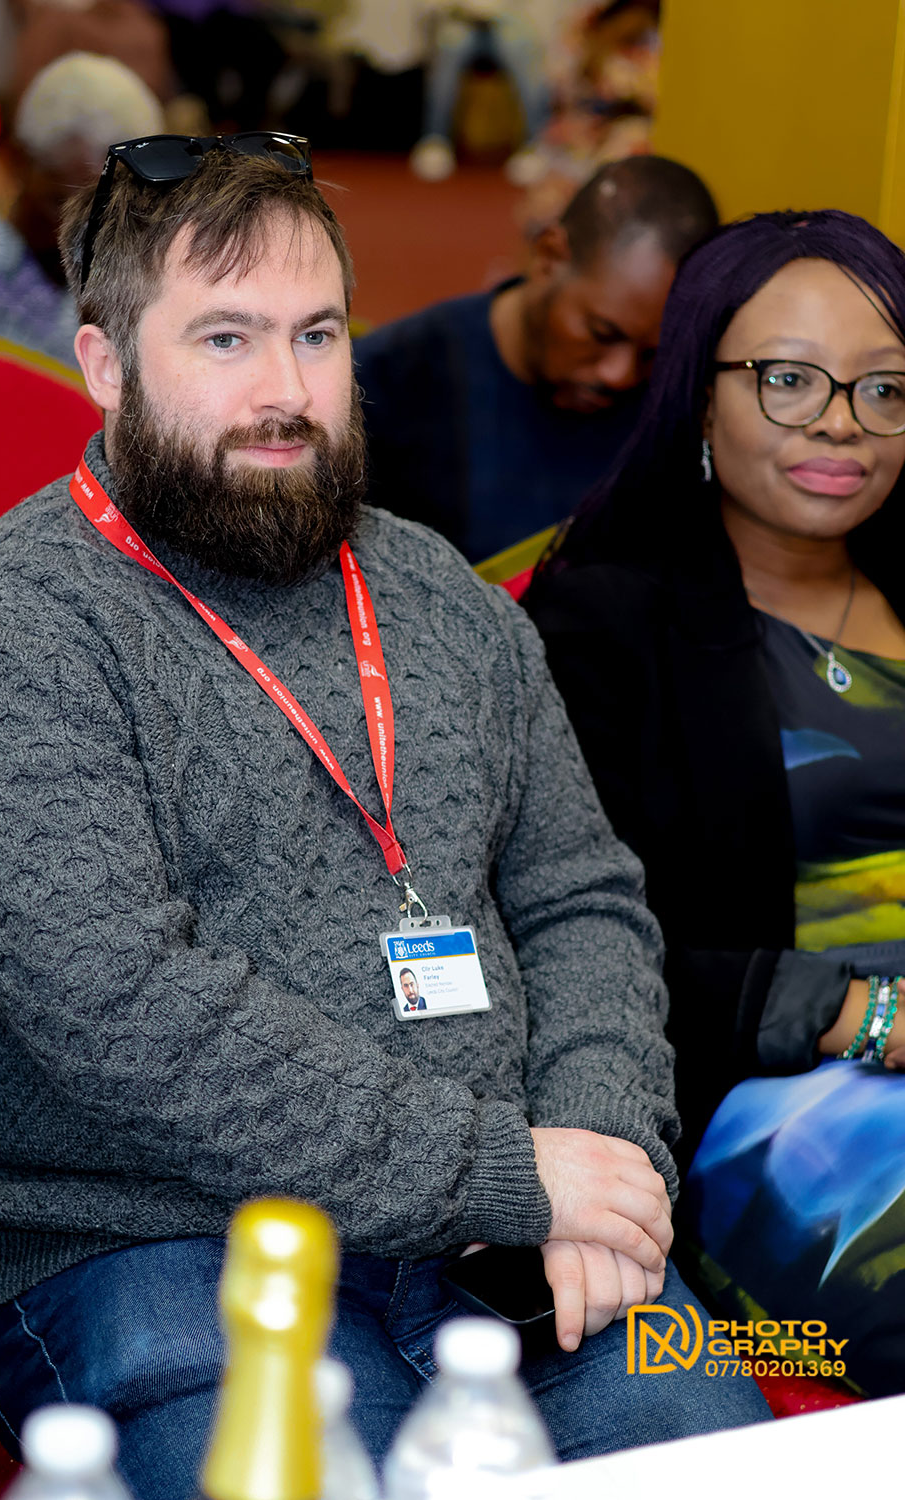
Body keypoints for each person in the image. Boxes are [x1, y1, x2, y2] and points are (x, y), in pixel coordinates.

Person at [0, 134, 767, 1500]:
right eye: (227, 339)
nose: (288, 392)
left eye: (317, 334)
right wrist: (506, 1170)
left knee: (725, 1472)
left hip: (516, 1233)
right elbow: (126, 1016)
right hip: (167, 1247)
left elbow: (579, 898)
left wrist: (597, 1148)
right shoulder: (1, 641)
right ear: (106, 367)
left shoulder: (435, 594)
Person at [525, 210, 905, 1393]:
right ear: (698, 394)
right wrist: (861, 1017)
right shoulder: (601, 627)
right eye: (788, 380)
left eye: (885, 389)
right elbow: (573, 945)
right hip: (772, 1113)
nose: (841, 421)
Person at [353, 154, 718, 565]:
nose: (620, 374)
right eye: (602, 333)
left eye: (654, 353)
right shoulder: (384, 385)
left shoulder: (682, 408)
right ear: (549, 256)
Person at [0, 51, 163, 365]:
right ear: (18, 163)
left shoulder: (144, 266)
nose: (88, 228)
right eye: (60, 203)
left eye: (113, 208)